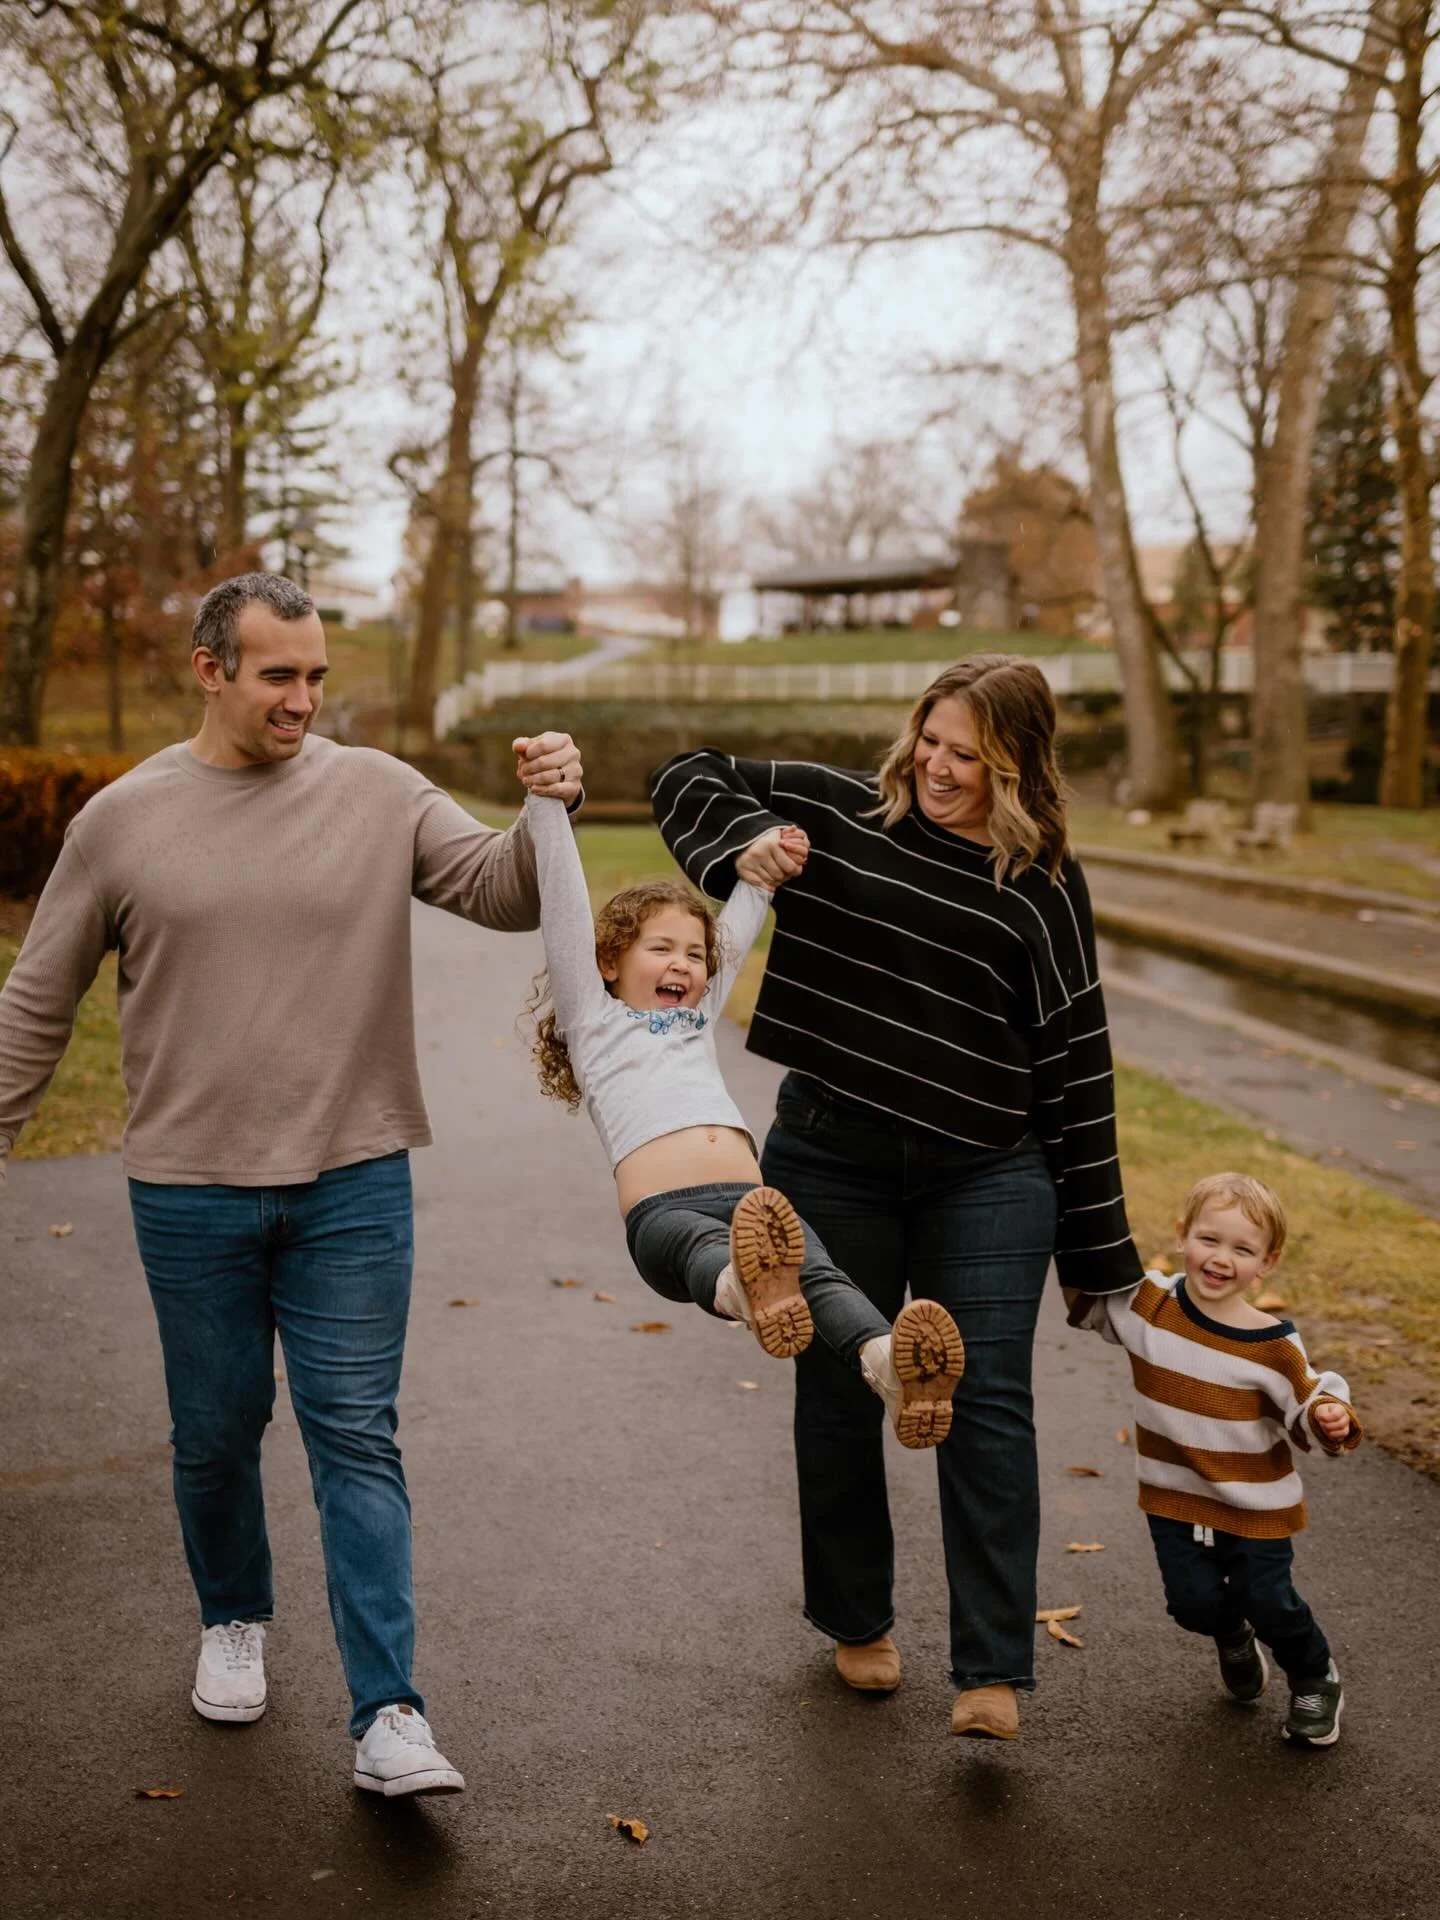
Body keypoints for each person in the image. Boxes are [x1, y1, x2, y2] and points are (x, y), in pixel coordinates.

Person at [0, 572, 584, 1796]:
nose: (304, 699)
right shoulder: (121, 820)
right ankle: (233, 1619)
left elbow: (498, 889)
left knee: (355, 1437)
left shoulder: (377, 793)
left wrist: (546, 810)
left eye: (316, 676)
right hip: (190, 1187)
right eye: (279, 675)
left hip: (353, 1179)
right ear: (210, 670)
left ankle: (390, 1716)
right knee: (215, 1436)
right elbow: (38, 1002)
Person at [650, 653, 1143, 1737]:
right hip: (831, 1155)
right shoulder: (839, 812)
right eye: (932, 738)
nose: (940, 766)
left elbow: (1077, 1066)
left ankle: (992, 1669)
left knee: (985, 1404)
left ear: (1019, 765)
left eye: (970, 753)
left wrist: (1104, 1262)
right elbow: (685, 772)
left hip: (989, 1171)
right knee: (837, 1389)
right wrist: (747, 847)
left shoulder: (1046, 884)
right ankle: (856, 1619)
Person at [514, 762, 967, 1449]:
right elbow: (565, 902)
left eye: (695, 955)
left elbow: (746, 913)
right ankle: (742, 1290)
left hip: (752, 1207)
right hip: (664, 1215)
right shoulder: (595, 1021)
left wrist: (771, 860)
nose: (685, 965)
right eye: (660, 948)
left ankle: (890, 1367)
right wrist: (548, 803)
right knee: (707, 1253)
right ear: (607, 961)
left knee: (818, 1271)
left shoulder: (697, 1017)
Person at [1071, 1171, 1360, 1747]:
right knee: (1192, 1604)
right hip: (1175, 1497)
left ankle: (1313, 1676)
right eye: (1209, 1239)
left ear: (1266, 1264)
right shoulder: (1149, 1304)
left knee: (1268, 1598)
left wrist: (1330, 1415)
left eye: (1242, 1249)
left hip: (1256, 1503)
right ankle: (1231, 1634)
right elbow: (1086, 1297)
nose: (1221, 1258)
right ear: (1182, 1236)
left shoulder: (1271, 1342)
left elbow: (1309, 1398)